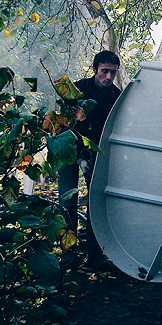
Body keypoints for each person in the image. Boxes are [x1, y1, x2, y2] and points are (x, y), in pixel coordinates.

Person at [58, 50, 121, 268]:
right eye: (105, 71)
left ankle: (95, 254)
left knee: (95, 202)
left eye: (113, 73)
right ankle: (68, 255)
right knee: (67, 203)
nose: (109, 77)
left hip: (95, 153)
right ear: (94, 69)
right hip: (68, 151)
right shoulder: (76, 90)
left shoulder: (116, 96)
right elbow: (61, 122)